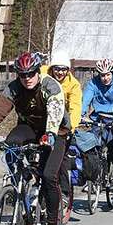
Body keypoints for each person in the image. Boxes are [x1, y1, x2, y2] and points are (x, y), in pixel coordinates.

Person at [0, 52, 68, 225]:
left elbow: (55, 114)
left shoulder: (51, 86)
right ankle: (21, 185)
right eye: (22, 75)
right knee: (10, 146)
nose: (27, 79)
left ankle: (51, 222)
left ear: (37, 72)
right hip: (29, 128)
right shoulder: (14, 88)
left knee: (49, 176)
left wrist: (50, 134)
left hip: (57, 132)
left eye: (31, 74)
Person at [42, 50, 83, 198]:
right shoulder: (43, 74)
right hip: (44, 118)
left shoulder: (73, 85)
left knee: (62, 157)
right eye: (57, 69)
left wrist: (71, 127)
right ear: (51, 68)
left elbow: (75, 107)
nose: (60, 72)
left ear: (68, 70)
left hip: (63, 124)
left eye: (64, 69)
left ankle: (65, 193)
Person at [81, 58, 113, 176]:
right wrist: (81, 115)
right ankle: (96, 175)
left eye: (108, 74)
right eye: (102, 75)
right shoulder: (93, 83)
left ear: (112, 73)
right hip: (99, 118)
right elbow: (85, 99)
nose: (105, 78)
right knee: (94, 145)